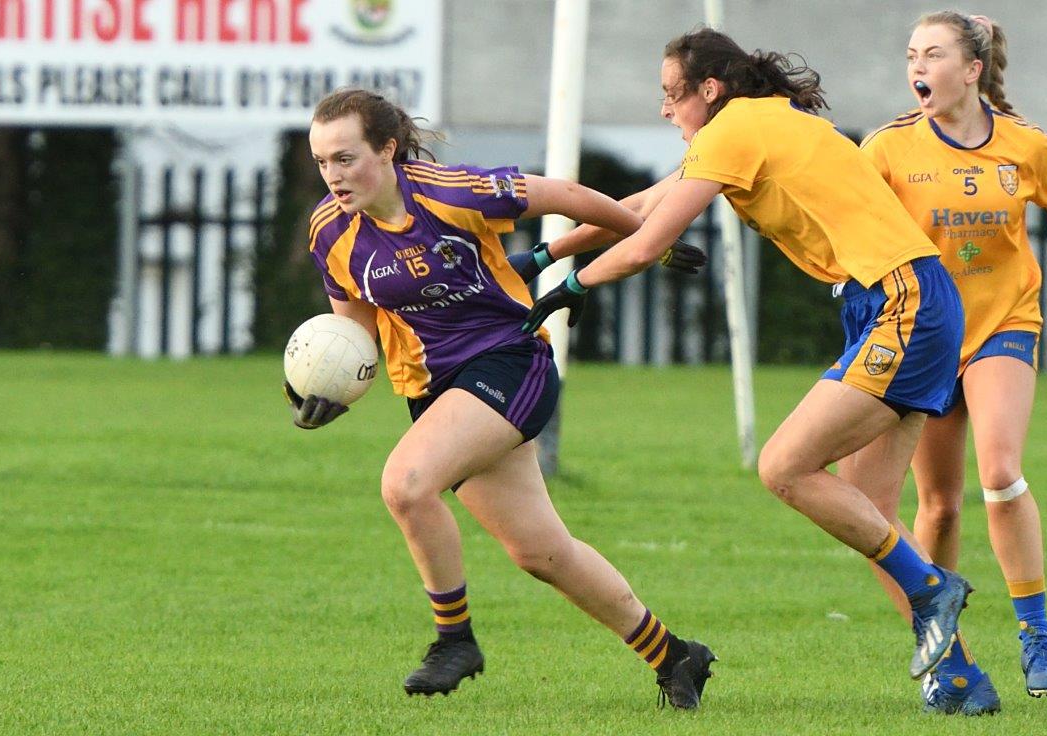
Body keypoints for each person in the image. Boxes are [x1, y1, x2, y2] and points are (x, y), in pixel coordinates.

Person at [523, 27, 975, 690]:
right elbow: (642, 207)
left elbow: (649, 243)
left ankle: (933, 590)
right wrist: (543, 256)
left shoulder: (732, 131)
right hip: (909, 299)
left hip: (901, 301)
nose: (665, 110)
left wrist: (571, 288)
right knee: (871, 505)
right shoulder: (752, 123)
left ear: (710, 89)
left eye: (671, 96)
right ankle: (961, 678)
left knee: (785, 466)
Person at [286, 88, 716, 708]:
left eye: (346, 158)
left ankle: (453, 639)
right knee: (540, 552)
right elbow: (354, 335)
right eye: (323, 161)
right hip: (435, 391)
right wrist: (326, 388)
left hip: (511, 362)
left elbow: (568, 198)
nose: (334, 176)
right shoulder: (331, 233)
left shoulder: (450, 190)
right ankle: (675, 655)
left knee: (406, 485)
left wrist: (652, 237)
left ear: (387, 149)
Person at [860, 10, 1047, 706]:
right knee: (937, 508)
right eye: (911, 54)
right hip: (927, 336)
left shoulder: (1025, 144)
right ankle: (948, 656)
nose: (917, 67)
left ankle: (1039, 641)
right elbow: (851, 220)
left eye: (933, 54)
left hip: (1006, 323)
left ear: (971, 69)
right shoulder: (885, 148)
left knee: (1000, 473)